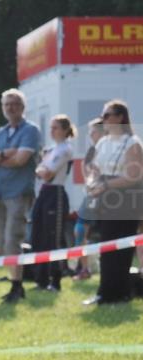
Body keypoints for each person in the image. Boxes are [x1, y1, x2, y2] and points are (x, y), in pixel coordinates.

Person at [0, 89, 42, 303]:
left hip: (19, 192)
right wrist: (7, 153)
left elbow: (21, 160)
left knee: (13, 239)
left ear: (23, 107)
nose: (10, 108)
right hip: (1, 193)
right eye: (6, 104)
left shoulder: (31, 130)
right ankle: (14, 281)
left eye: (14, 104)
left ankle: (17, 286)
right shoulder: (1, 132)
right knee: (3, 243)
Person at [83, 100, 143, 305]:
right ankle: (105, 292)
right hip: (105, 199)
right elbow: (94, 169)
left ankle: (120, 293)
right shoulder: (103, 142)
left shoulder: (132, 142)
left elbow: (133, 176)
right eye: (103, 115)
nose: (104, 119)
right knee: (106, 245)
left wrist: (106, 185)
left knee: (121, 248)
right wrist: (92, 183)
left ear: (120, 117)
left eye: (108, 115)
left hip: (125, 200)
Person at [30, 115, 76, 291]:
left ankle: (56, 279)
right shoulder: (52, 149)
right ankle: (40, 279)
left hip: (55, 193)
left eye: (55, 127)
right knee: (38, 235)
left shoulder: (65, 149)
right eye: (51, 127)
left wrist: (41, 169)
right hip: (44, 193)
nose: (52, 131)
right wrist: (41, 170)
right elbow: (39, 171)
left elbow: (47, 173)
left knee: (54, 237)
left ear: (65, 130)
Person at [73, 118, 106, 281]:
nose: (90, 135)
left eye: (93, 131)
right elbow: (86, 171)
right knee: (79, 230)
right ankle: (84, 269)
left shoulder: (111, 149)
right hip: (91, 197)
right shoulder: (91, 151)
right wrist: (90, 183)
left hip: (109, 197)